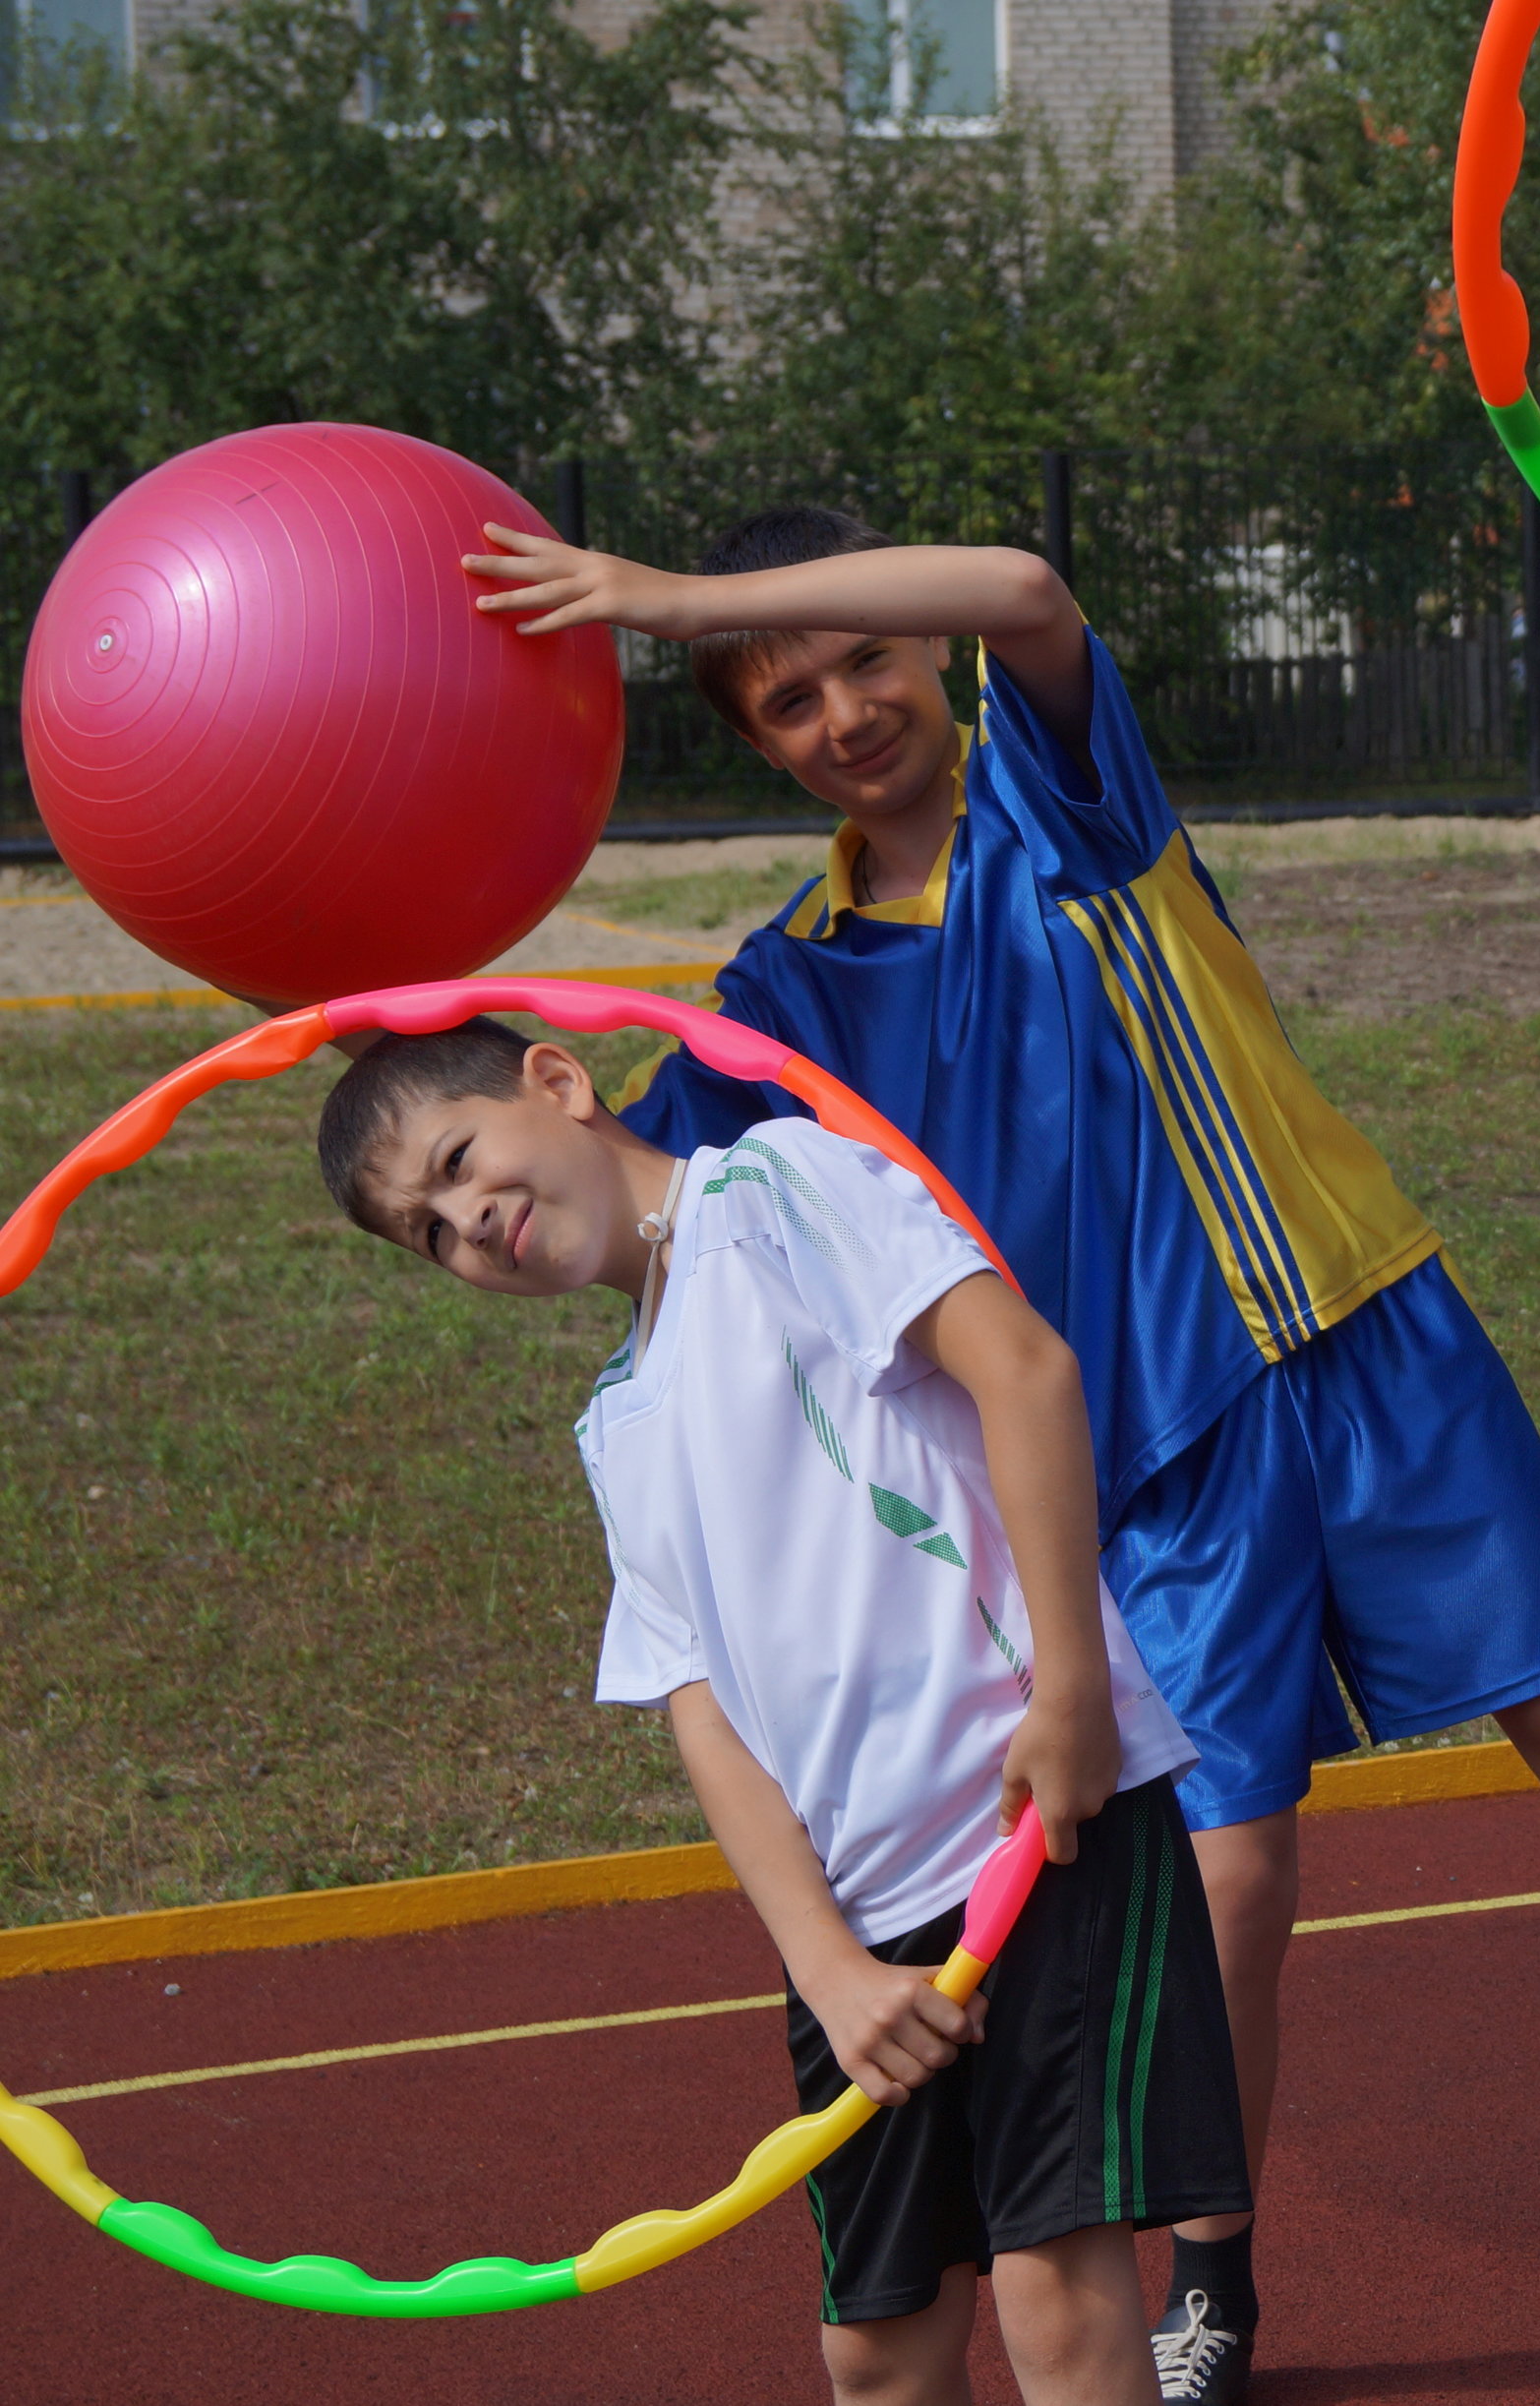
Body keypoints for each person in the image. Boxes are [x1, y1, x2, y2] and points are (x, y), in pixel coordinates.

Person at [458, 511, 1540, 2403]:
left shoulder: (1059, 800)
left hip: (1351, 1324)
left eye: (862, 659)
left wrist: (677, 604)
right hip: (1148, 1449)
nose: (847, 709)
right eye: (788, 700)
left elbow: (1025, 592)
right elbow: (593, 1162)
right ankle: (1217, 2277)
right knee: (1227, 1871)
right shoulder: (777, 1004)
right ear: (756, 748)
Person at [314, 1021, 1246, 2406]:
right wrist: (821, 1960)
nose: (467, 1222)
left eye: (457, 1162)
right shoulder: (614, 1424)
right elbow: (700, 1706)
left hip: (1035, 1831)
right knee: (875, 2348)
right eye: (427, 1231)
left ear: (558, 1081)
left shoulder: (776, 1190)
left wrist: (1070, 1692)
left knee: (1060, 2296)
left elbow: (1027, 1372)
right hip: (861, 1922)